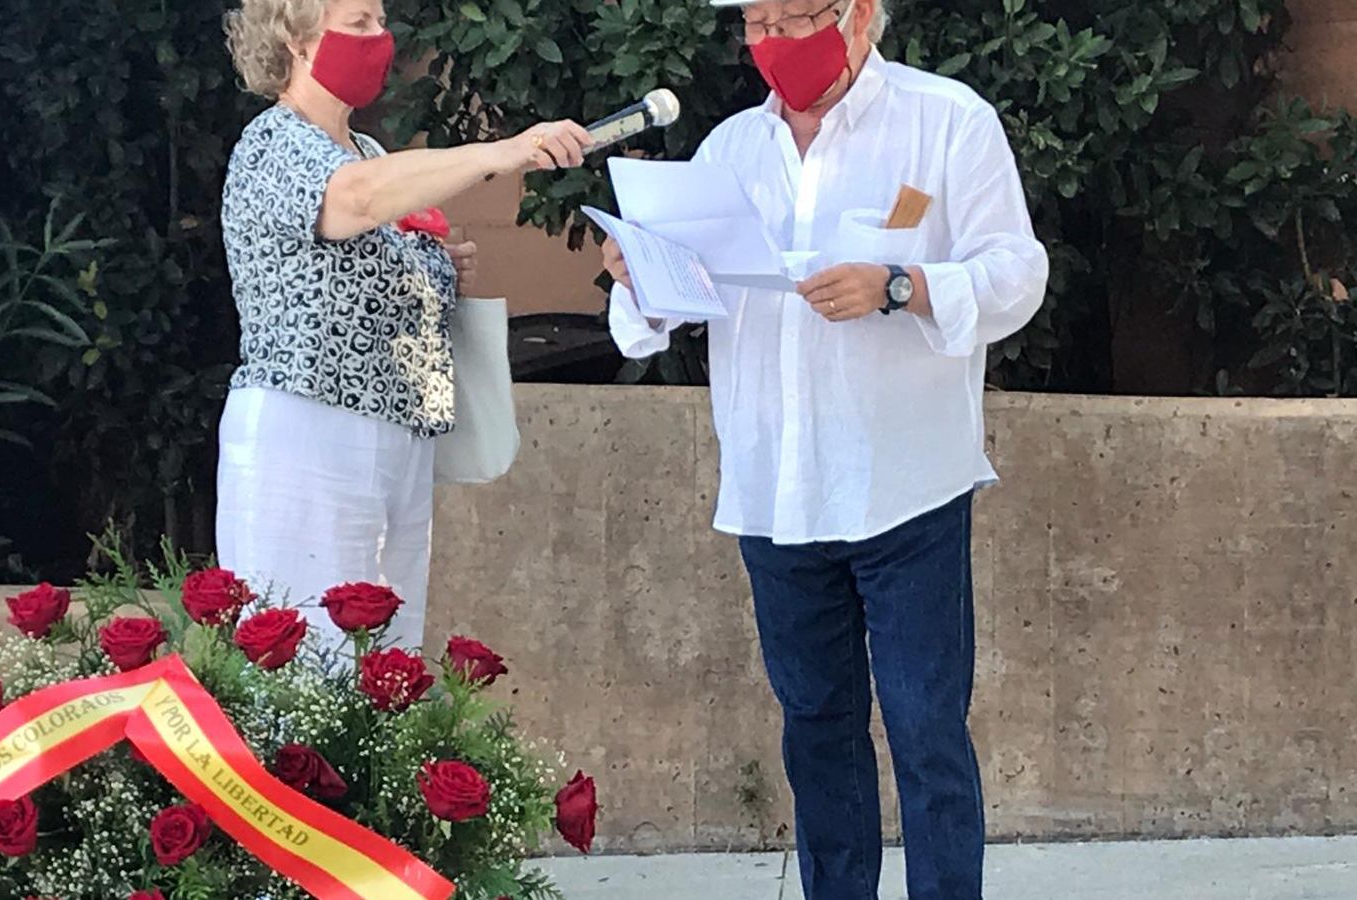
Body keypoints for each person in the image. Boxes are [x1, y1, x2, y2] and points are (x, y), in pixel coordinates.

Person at [603, 1, 1048, 898]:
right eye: (758, 20)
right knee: (816, 729)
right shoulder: (729, 150)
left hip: (906, 487)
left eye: (799, 13)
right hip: (777, 491)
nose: (776, 38)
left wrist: (904, 284)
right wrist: (641, 278)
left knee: (927, 730)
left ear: (861, 15)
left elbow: (1017, 273)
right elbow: (658, 320)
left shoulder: (946, 121)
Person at [217, 0, 591, 651]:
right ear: (298, 41)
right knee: (309, 660)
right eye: (359, 23)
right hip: (311, 430)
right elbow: (354, 198)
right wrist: (500, 153)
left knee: (388, 664)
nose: (380, 39)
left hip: (398, 436)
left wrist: (436, 270)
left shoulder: (366, 148)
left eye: (380, 22)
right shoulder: (274, 143)